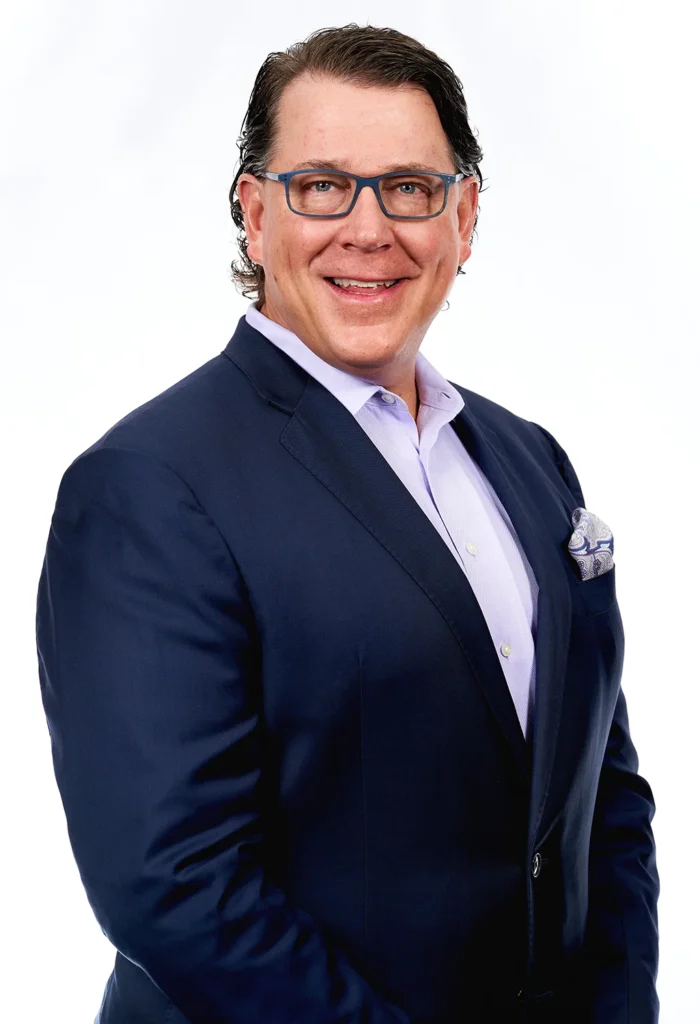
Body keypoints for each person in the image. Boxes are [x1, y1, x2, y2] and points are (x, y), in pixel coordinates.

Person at [35, 23, 659, 1024]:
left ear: (463, 217)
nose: (368, 230)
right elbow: (175, 887)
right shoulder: (147, 486)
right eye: (321, 185)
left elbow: (601, 795)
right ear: (253, 212)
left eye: (409, 188)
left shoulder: (528, 458)